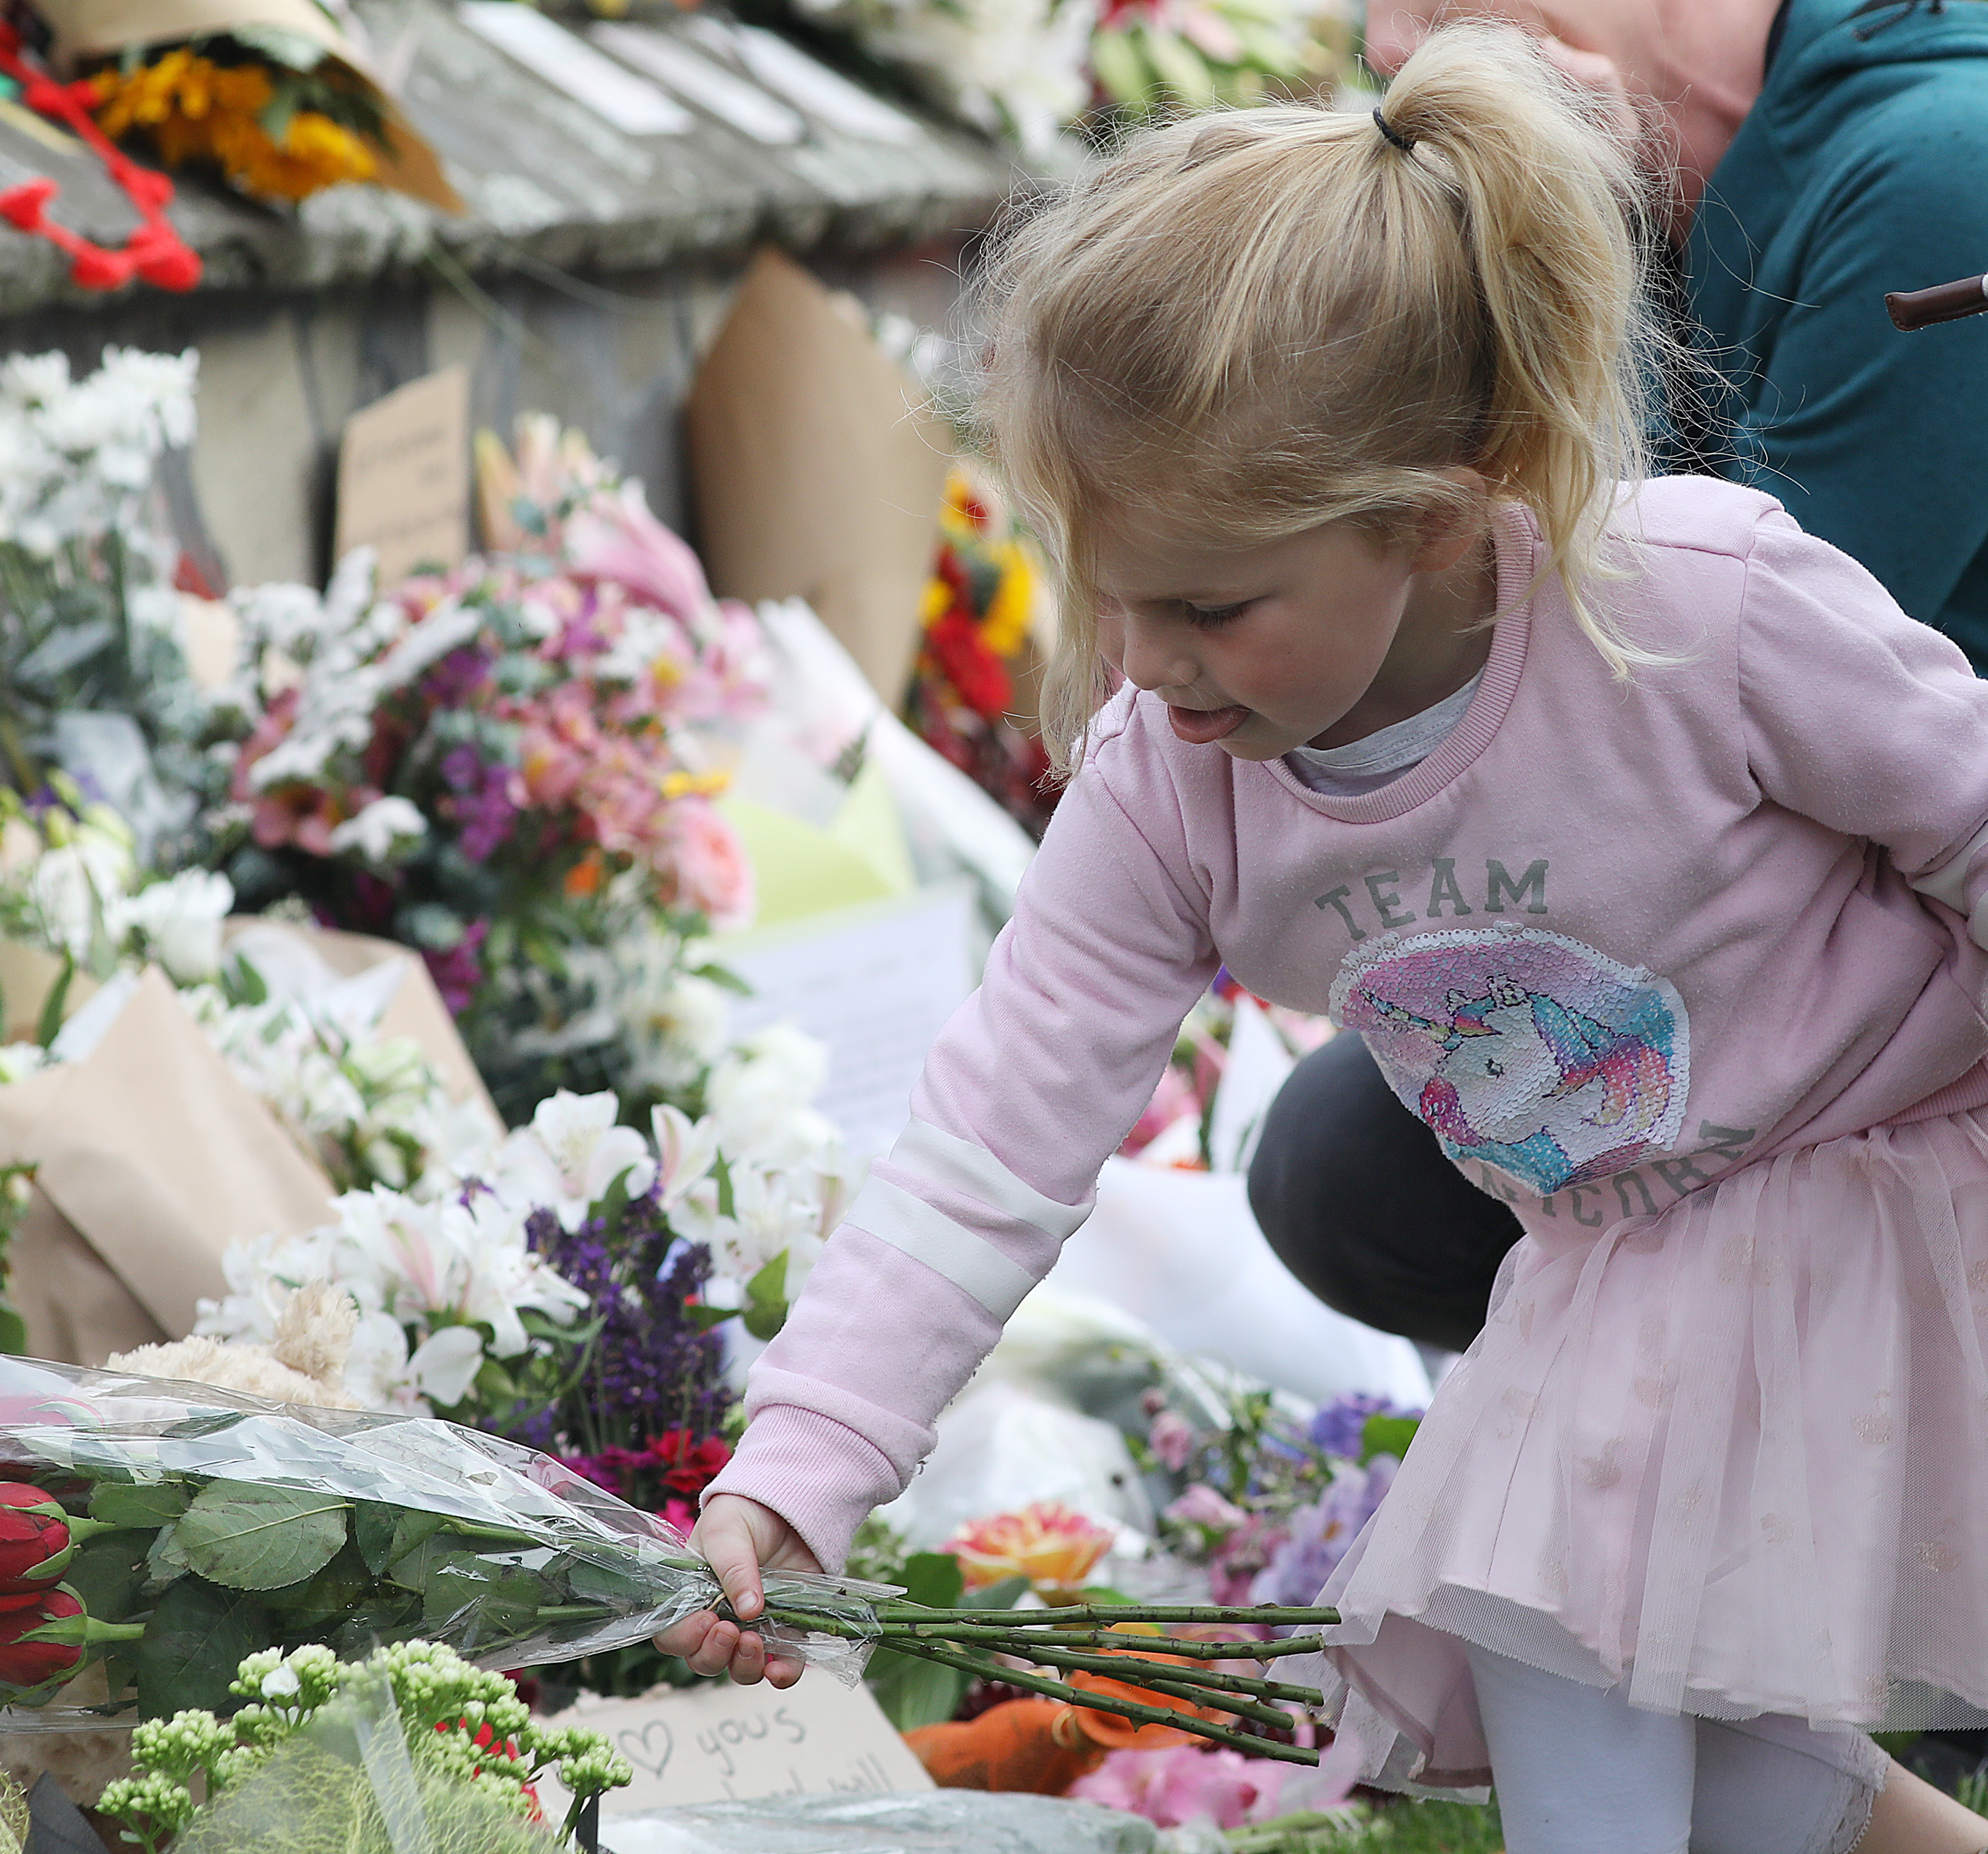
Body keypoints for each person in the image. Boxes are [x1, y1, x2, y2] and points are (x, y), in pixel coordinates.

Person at [653, 24, 1988, 1852]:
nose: (1139, 661)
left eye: (1209, 604)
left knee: (1661, 1703)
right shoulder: (1173, 778)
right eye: (1108, 595)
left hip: (1905, 1184)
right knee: (1607, 1691)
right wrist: (804, 1465)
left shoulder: (1693, 603)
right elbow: (993, 1133)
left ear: (1440, 517)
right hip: (1625, 1262)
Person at [1258, 0, 1988, 1362]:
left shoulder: (1940, 166)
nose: (1390, 49)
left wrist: (1579, 238)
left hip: (1928, 991)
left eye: (1424, 4)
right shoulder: (1740, 144)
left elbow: (1671, 680)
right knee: (1353, 1149)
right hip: (1811, 915)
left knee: (1360, 1169)